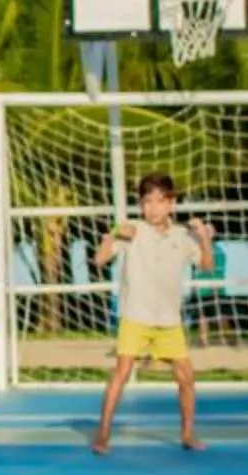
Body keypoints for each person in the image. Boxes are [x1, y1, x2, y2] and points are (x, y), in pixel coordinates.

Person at [90, 173, 214, 455]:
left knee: (186, 377)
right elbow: (99, 259)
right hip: (136, 316)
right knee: (121, 372)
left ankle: (187, 434)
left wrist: (204, 238)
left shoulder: (183, 235)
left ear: (171, 203)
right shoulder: (133, 229)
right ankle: (103, 434)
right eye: (147, 202)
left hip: (169, 321)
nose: (153, 208)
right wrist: (113, 234)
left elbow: (206, 265)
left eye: (159, 201)